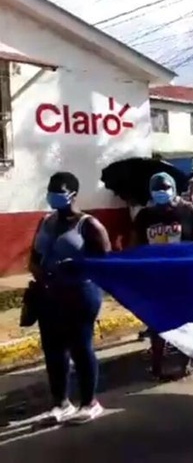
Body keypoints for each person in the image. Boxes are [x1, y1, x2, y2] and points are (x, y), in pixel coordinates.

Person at [29, 171, 111, 424]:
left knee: (80, 346)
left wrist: (76, 266)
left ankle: (90, 402)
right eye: (51, 190)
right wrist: (38, 270)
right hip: (48, 293)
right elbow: (34, 255)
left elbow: (105, 263)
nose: (53, 196)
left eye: (59, 191)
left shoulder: (89, 225)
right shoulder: (45, 221)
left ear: (73, 194)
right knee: (53, 350)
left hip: (80, 293)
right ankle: (60, 403)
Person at [133, 172, 193, 380]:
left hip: (184, 277)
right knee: (158, 323)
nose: (161, 193)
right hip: (156, 278)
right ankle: (157, 366)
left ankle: (185, 362)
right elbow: (135, 246)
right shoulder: (145, 216)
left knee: (185, 322)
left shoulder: (189, 212)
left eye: (165, 188)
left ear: (173, 188)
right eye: (156, 190)